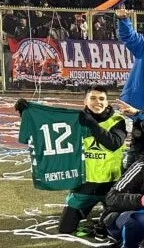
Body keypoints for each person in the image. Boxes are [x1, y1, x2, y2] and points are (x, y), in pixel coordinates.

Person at [17, 87, 127, 235]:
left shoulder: (117, 121)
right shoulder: (75, 120)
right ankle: (101, 216)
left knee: (119, 227)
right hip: (84, 185)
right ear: (85, 101)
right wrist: (26, 112)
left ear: (107, 103)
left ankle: (106, 218)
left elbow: (113, 143)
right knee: (65, 228)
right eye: (93, 98)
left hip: (112, 187)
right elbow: (48, 124)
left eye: (101, 99)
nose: (97, 102)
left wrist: (92, 124)